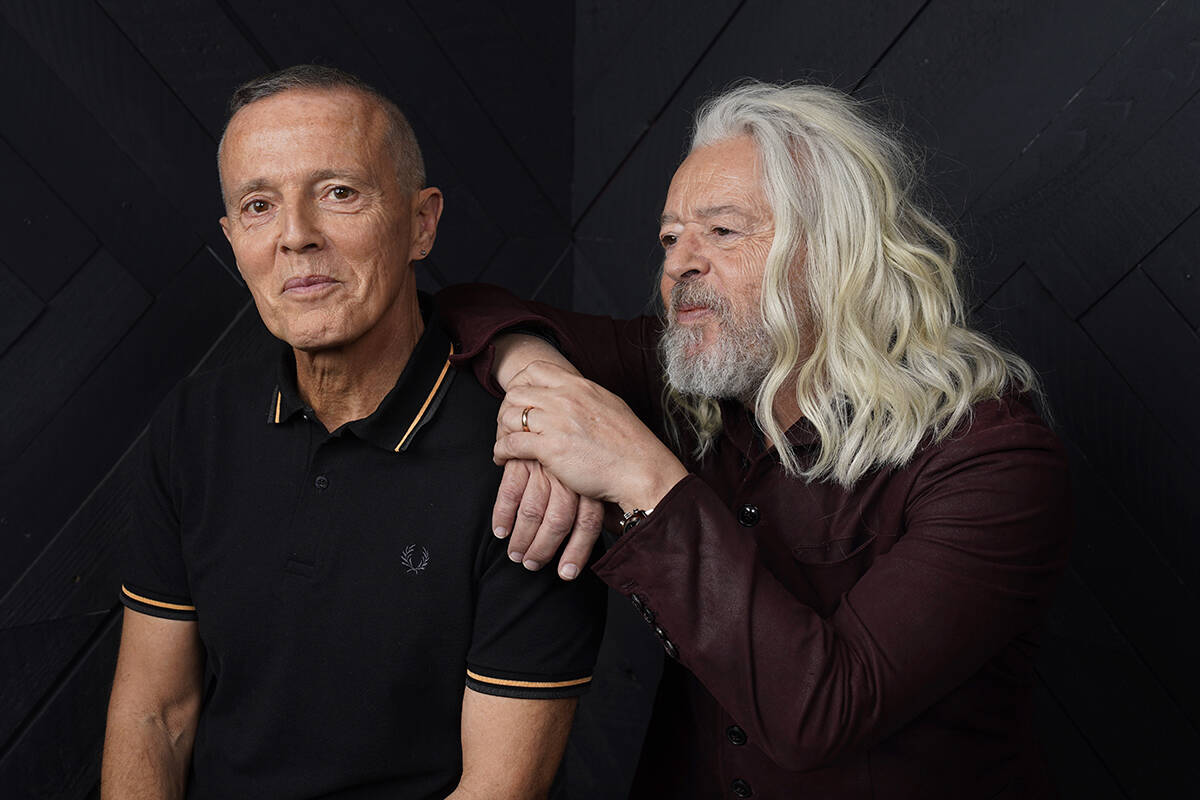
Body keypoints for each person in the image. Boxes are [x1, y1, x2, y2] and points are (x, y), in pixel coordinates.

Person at [439, 81, 1072, 798]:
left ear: (833, 249)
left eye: (723, 231)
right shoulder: (694, 377)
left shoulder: (990, 456)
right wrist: (550, 386)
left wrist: (640, 474)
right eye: (671, 237)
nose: (680, 263)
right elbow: (465, 309)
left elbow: (820, 711)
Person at [100, 65, 602, 800]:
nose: (296, 238)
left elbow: (500, 787)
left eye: (339, 193)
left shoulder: (526, 469)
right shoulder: (195, 424)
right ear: (232, 239)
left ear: (421, 223)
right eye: (258, 205)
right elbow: (155, 715)